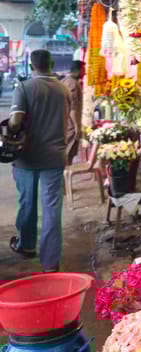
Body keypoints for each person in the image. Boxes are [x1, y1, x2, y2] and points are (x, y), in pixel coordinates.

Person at [8, 49, 70, 273]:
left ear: (32, 65)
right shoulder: (64, 89)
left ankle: (26, 246)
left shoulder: (23, 87)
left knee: (27, 203)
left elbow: (15, 122)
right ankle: (51, 263)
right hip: (55, 156)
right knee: (52, 209)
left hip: (27, 156)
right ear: (51, 64)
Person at [61, 60, 84, 164]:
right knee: (68, 155)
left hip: (65, 123)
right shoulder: (73, 84)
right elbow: (73, 109)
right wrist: (77, 127)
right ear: (78, 71)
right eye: (83, 70)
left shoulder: (65, 81)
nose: (85, 73)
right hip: (70, 126)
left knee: (66, 155)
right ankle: (64, 178)